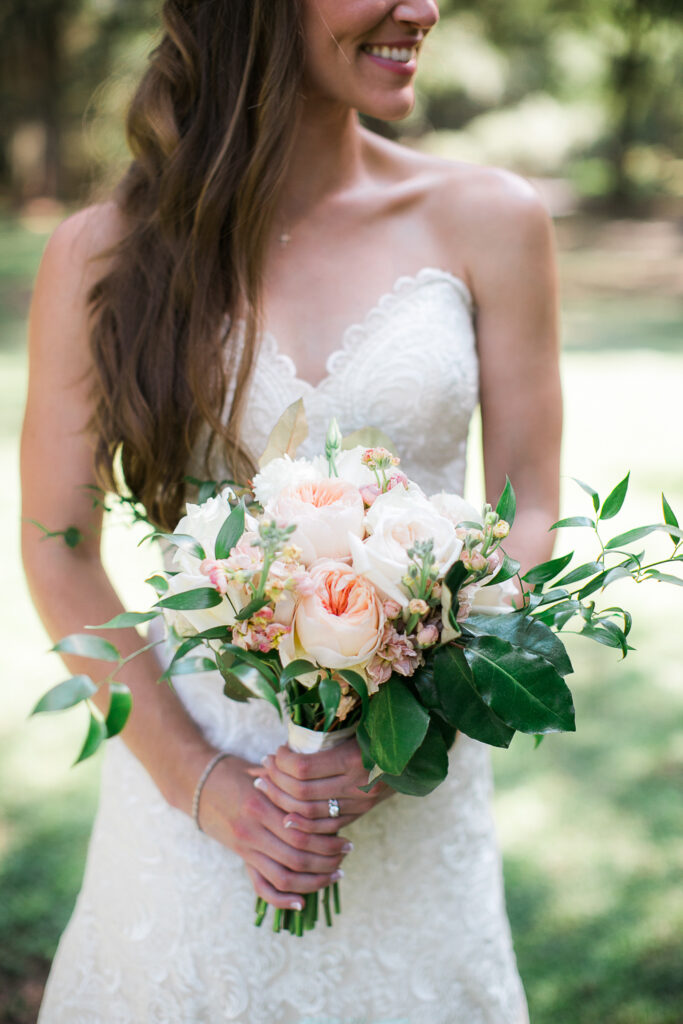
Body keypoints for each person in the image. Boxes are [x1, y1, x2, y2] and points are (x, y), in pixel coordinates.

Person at [22, 1, 561, 1021]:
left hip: (415, 810)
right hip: (190, 806)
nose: (422, 8)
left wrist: (414, 729)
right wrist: (210, 789)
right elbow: (59, 550)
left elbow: (528, 506)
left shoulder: (491, 217)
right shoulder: (104, 252)